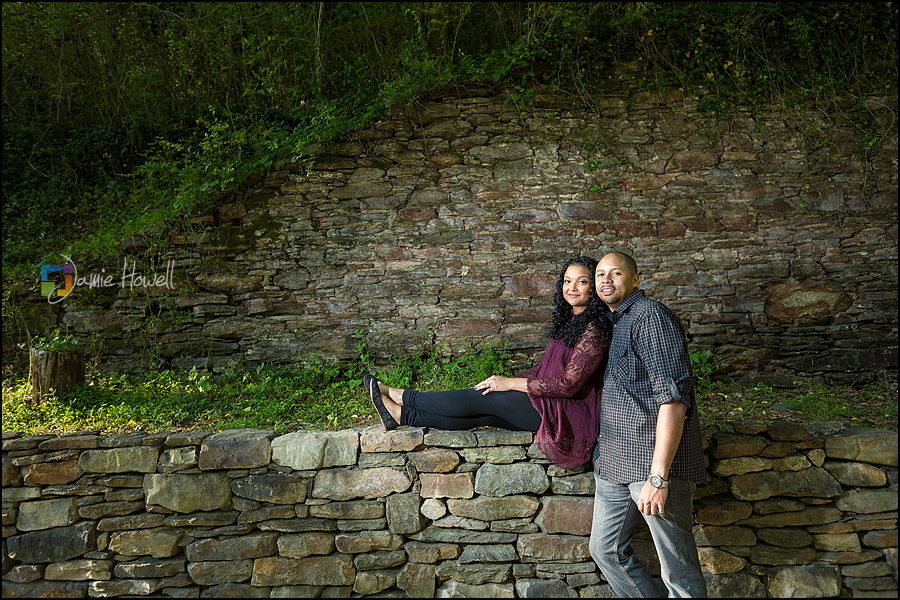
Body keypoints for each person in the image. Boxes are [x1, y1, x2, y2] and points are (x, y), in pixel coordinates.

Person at [364, 256, 611, 469]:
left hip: (566, 414)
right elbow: (547, 367)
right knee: (485, 413)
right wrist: (508, 382)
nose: (573, 287)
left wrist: (511, 384)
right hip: (550, 401)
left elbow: (569, 384)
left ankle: (403, 396)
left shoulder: (594, 330)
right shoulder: (572, 321)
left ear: (595, 287)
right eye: (568, 281)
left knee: (485, 398)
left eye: (582, 281)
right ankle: (401, 415)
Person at [588, 251, 708, 598]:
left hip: (650, 466)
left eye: (615, 273)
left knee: (679, 574)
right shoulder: (615, 321)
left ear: (635, 279)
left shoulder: (650, 317)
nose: (605, 280)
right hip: (614, 462)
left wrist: (659, 477)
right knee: (606, 551)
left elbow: (672, 399)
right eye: (600, 274)